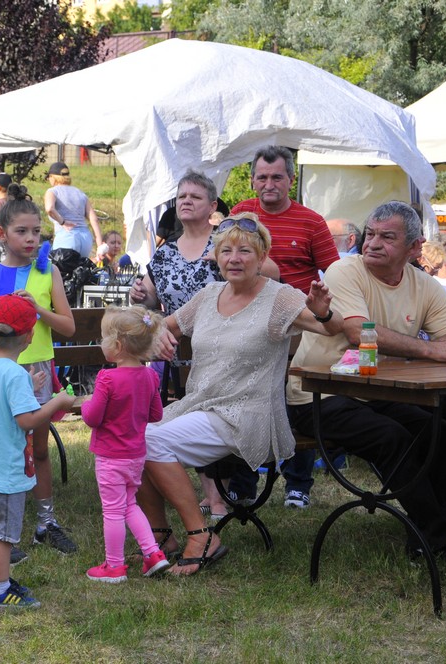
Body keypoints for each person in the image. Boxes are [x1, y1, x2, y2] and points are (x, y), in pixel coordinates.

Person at [287, 201, 446, 567]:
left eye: (387, 237)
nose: (372, 243)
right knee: (394, 436)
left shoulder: (422, 283)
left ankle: (444, 532)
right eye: (370, 234)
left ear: (415, 247)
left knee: (445, 428)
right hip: (318, 393)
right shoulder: (344, 270)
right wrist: (430, 350)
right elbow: (358, 332)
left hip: (376, 392)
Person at [136, 213, 345, 576]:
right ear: (216, 257)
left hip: (248, 414)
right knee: (130, 438)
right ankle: (161, 537)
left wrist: (324, 314)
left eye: (245, 251)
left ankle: (202, 535)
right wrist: (155, 332)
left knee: (150, 441)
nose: (234, 258)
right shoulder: (209, 295)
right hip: (199, 406)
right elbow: (159, 325)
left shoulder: (279, 298)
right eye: (226, 250)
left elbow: (333, 329)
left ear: (262, 256)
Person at [130, 170, 279, 520]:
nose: (186, 201)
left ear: (212, 206)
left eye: (194, 197)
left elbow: (271, 272)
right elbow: (151, 300)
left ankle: (221, 496)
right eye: (181, 196)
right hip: (178, 353)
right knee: (188, 413)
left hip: (227, 352)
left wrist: (227, 257)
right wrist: (140, 294)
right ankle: (210, 497)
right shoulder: (165, 252)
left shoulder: (226, 240)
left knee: (212, 414)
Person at [229, 145, 341, 510]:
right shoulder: (240, 214)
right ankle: (243, 485)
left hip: (298, 325)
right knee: (246, 403)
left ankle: (298, 485)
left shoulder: (311, 221)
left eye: (277, 177)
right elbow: (225, 260)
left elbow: (335, 272)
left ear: (291, 180)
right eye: (262, 177)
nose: (269, 184)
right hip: (250, 325)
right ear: (252, 180)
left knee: (296, 402)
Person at [0, 184, 77, 556]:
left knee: (39, 449)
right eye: (22, 231)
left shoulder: (49, 273)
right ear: (2, 233)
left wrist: (37, 310)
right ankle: (0, 530)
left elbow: (68, 327)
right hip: (2, 372)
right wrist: (0, 321)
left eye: (36, 231)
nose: (31, 238)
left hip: (39, 369)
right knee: (6, 448)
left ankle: (46, 522)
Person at [0, 294, 76, 610]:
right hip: (5, 470)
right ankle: (0, 592)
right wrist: (56, 402)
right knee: (3, 536)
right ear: (30, 336)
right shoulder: (15, 374)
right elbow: (27, 421)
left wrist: (25, 387)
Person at [80, 306, 170, 582]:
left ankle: (114, 566)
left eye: (103, 338)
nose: (101, 343)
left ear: (117, 346)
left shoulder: (107, 378)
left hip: (110, 457)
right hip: (135, 456)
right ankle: (153, 553)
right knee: (130, 504)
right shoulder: (150, 376)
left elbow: (93, 418)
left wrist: (85, 404)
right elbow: (156, 414)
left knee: (113, 511)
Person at [43, 161, 103, 260]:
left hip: (67, 236)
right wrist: (100, 245)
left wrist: (63, 222)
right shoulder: (80, 193)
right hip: (85, 239)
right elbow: (94, 219)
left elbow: (49, 208)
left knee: (59, 269)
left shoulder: (52, 191)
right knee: (80, 269)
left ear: (52, 177)